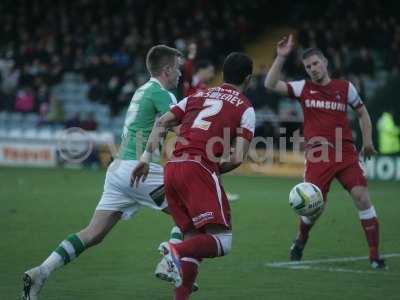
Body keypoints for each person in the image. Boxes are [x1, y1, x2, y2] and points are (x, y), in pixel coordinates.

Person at [22, 45, 185, 300]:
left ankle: (41, 272)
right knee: (190, 212)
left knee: (93, 233)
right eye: (177, 67)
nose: (180, 73)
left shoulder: (143, 91)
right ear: (166, 69)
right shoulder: (163, 94)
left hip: (118, 169)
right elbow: (183, 127)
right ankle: (170, 261)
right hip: (138, 169)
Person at [131, 52, 255, 299]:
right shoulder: (245, 107)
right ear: (249, 79)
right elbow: (238, 158)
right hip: (198, 168)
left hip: (172, 168)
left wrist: (145, 158)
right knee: (222, 241)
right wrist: (212, 171)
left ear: (222, 73)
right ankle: (172, 250)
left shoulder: (197, 95)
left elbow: (161, 123)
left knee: (194, 241)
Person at [264, 35, 386, 269]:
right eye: (308, 67)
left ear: (325, 62)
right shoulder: (303, 88)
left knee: (362, 197)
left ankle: (374, 256)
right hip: (318, 155)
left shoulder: (345, 87)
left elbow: (362, 113)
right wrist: (280, 57)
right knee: (313, 208)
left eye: (315, 64)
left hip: (346, 153)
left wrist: (368, 141)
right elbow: (270, 84)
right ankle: (301, 239)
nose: (312, 69)